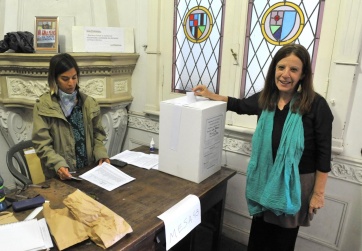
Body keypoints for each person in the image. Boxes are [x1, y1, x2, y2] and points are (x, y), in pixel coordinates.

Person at [192, 44, 333, 251]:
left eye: (293, 69)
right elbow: (239, 105)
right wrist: (212, 95)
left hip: (294, 183)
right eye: (281, 67)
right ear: (274, 69)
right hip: (265, 178)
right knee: (259, 236)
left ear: (303, 75)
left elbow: (324, 154)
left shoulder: (315, 105)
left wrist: (318, 194)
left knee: (282, 241)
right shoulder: (267, 98)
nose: (285, 74)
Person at [32, 53, 110, 180]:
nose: (71, 83)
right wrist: (58, 164)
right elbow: (42, 144)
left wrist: (101, 154)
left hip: (88, 171)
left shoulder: (89, 103)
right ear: (55, 79)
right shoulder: (43, 106)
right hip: (61, 175)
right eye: (65, 78)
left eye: (74, 77)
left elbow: (98, 136)